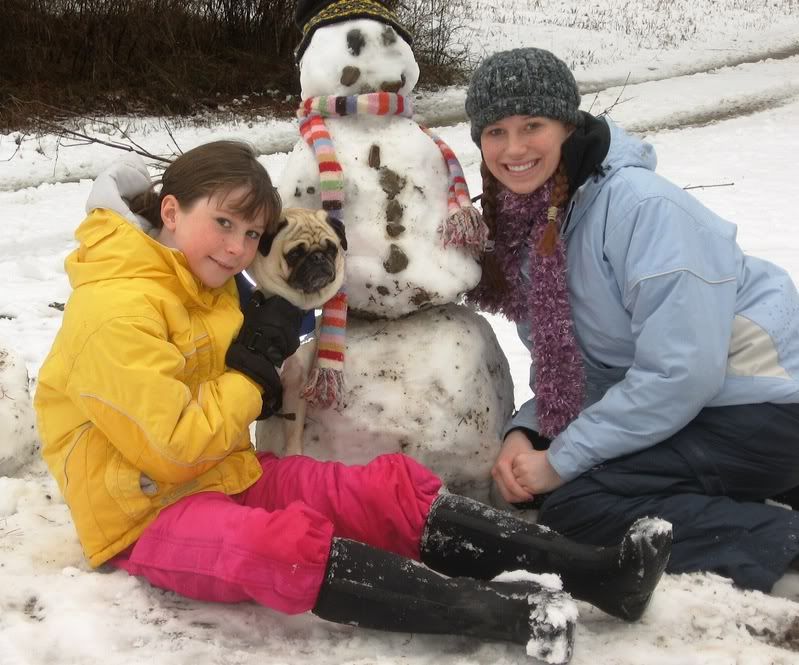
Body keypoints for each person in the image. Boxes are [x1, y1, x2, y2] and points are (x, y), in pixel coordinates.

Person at [34, 138, 671, 663]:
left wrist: (265, 361)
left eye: (252, 234)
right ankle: (510, 616)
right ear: (171, 211)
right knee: (281, 547)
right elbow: (173, 446)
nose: (235, 248)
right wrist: (252, 373)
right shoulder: (117, 306)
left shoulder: (208, 281)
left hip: (222, 473)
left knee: (379, 492)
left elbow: (218, 413)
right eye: (222, 222)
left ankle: (598, 574)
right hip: (142, 515)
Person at [464, 47, 799, 594]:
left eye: (533, 125)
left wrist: (562, 458)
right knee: (562, 482)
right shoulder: (532, 226)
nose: (514, 147)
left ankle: (778, 540)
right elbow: (583, 368)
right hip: (695, 408)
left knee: (579, 504)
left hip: (760, 406)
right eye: (496, 131)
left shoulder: (641, 208)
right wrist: (529, 430)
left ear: (567, 125)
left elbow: (681, 373)